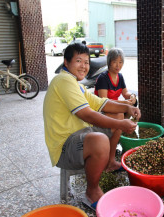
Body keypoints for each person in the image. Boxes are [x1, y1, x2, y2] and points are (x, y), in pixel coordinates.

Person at [43, 43, 141, 210]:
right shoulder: (63, 80)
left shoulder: (77, 85)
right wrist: (121, 124)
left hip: (81, 134)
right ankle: (92, 191)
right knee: (101, 140)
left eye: (87, 62)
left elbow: (100, 103)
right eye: (78, 61)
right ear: (66, 62)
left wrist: (126, 107)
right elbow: (87, 114)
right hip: (65, 147)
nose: (84, 66)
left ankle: (109, 162)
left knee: (116, 116)